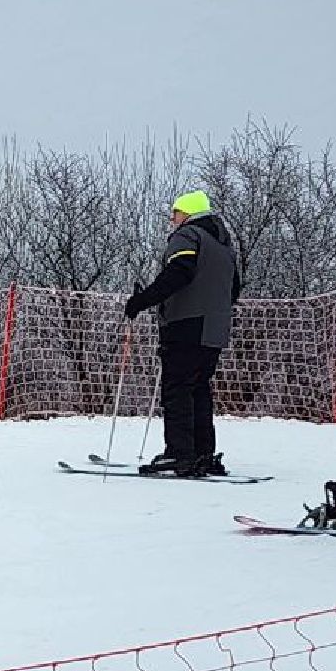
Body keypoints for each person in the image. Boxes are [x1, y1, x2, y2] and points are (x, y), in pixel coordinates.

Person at [123, 190, 242, 478]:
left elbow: (179, 272)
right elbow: (234, 289)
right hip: (214, 330)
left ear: (187, 213)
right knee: (199, 389)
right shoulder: (224, 246)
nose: (172, 219)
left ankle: (179, 454)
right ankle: (203, 453)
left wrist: (142, 300)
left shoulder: (189, 236)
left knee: (177, 390)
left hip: (186, 325)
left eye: (175, 213)